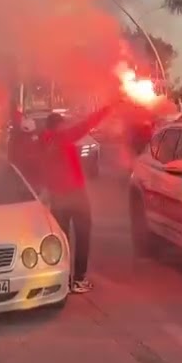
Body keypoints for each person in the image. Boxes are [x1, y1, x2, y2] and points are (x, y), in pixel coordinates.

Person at [41, 106, 114, 293]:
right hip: (75, 197)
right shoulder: (62, 138)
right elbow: (87, 124)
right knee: (83, 236)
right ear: (57, 127)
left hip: (57, 199)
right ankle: (79, 280)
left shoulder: (44, 143)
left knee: (63, 241)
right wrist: (110, 106)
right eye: (63, 125)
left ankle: (63, 281)